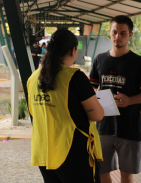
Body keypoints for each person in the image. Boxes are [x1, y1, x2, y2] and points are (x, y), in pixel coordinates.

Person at [27, 28, 105, 183]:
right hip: (72, 152)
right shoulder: (74, 77)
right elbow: (97, 115)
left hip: (44, 152)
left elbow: (36, 113)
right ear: (73, 50)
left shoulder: (33, 78)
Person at [89, 15, 141, 183]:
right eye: (114, 32)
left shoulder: (139, 63)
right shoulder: (99, 59)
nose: (118, 37)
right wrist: (96, 93)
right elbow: (91, 86)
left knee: (126, 175)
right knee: (102, 174)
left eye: (123, 33)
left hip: (130, 128)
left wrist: (130, 100)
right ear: (109, 33)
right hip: (103, 128)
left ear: (130, 35)